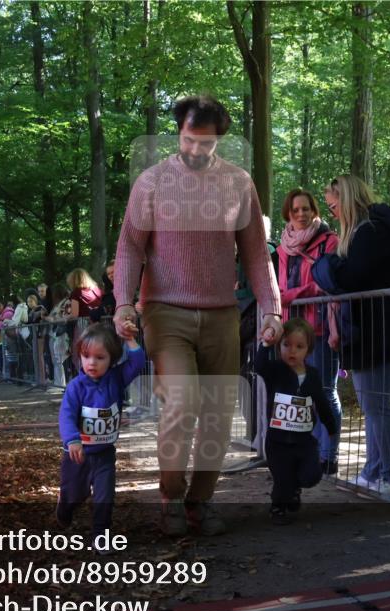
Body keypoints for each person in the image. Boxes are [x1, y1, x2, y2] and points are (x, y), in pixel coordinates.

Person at [113, 94, 282, 537]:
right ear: (178, 133)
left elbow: (256, 256)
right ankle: (170, 496)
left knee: (219, 413)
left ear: (219, 141)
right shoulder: (151, 182)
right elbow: (130, 244)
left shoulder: (238, 183)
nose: (195, 150)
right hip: (165, 312)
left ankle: (199, 502)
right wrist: (124, 303)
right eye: (189, 140)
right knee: (183, 402)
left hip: (222, 314)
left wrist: (272, 310)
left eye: (205, 144)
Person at [312, 175, 390, 498]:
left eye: (334, 206)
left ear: (346, 200)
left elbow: (354, 278)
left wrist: (328, 267)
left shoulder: (371, 232)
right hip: (364, 326)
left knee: (377, 406)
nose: (333, 214)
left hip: (374, 326)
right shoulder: (364, 231)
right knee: (372, 404)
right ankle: (375, 470)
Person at [57, 323, 146, 550]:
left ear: (112, 360)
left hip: (105, 453)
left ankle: (101, 535)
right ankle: (65, 506)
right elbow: (66, 416)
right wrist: (72, 440)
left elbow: (138, 363)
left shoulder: (116, 379)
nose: (92, 363)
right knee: (76, 494)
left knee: (105, 496)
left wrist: (129, 339)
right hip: (78, 455)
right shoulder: (76, 387)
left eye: (100, 357)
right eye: (86, 356)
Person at [277, 188, 342, 474]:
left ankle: (330, 455)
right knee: (300, 395)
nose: (301, 214)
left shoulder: (329, 241)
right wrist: (287, 297)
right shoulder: (282, 248)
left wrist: (292, 295)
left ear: (314, 210)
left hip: (322, 327)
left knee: (325, 391)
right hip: (293, 332)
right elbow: (277, 287)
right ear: (288, 214)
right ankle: (308, 452)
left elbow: (324, 283)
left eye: (306, 208)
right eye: (295, 210)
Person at [253, 318, 338, 525]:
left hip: (304, 441)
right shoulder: (275, 371)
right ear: (279, 346)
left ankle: (294, 489)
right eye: (286, 345)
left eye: (299, 347)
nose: (292, 351)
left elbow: (321, 401)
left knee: (312, 475)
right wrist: (265, 344)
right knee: (282, 478)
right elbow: (259, 366)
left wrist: (330, 426)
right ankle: (278, 507)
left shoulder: (313, 375)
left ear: (308, 351)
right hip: (277, 442)